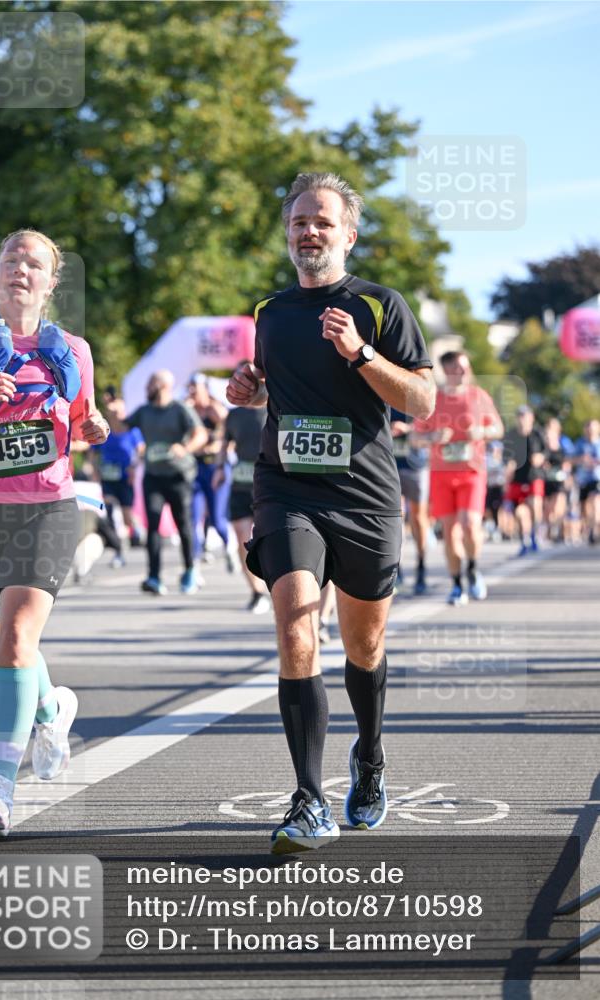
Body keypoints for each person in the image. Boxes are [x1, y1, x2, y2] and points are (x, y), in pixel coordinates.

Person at [227, 172, 435, 853]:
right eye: (298, 222)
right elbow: (276, 393)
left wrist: (361, 354)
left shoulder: (380, 305)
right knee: (294, 628)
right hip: (287, 489)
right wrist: (247, 390)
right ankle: (307, 800)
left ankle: (369, 759)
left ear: (347, 234)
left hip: (365, 495)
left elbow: (421, 401)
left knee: (364, 645)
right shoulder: (268, 311)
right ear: (287, 234)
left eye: (321, 221)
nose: (308, 231)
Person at [0, 229, 108, 836]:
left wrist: (95, 428)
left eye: (34, 263)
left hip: (46, 509)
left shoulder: (74, 350)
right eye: (11, 259)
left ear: (51, 281)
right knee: (10, 650)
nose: (20, 270)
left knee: (13, 644)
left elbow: (82, 421)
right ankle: (53, 707)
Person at [414, 351, 503, 605]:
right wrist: (432, 438)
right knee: (450, 532)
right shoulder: (433, 400)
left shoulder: (479, 396)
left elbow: (498, 428)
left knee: (470, 524)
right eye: (457, 368)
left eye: (466, 367)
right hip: (441, 474)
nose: (463, 372)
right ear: (447, 370)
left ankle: (473, 568)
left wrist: (481, 431)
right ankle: (456, 584)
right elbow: (415, 437)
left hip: (472, 472)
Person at [107, 369, 207, 595]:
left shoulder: (180, 409)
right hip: (153, 476)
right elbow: (120, 428)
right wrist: (113, 414)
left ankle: (190, 571)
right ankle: (153, 577)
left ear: (162, 386)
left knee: (183, 525)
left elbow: (201, 434)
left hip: (178, 476)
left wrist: (186, 448)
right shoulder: (144, 411)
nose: (147, 388)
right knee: (153, 526)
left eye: (150, 384)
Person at [213, 367, 270, 613]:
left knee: (270, 538)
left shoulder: (271, 408)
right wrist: (219, 468)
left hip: (268, 481)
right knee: (241, 537)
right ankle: (256, 592)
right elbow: (225, 444)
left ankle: (275, 585)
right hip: (240, 482)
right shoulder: (233, 415)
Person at [186, 372, 235, 571]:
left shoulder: (215, 409)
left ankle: (230, 551)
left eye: (195, 389)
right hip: (196, 468)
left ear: (205, 390)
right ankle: (194, 563)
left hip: (216, 468)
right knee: (194, 517)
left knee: (217, 518)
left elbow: (229, 439)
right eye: (190, 388)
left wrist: (215, 448)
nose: (191, 392)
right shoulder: (188, 410)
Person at [91, 386, 144, 565]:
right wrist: (95, 470)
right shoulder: (104, 430)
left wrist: (134, 468)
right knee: (110, 509)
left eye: (120, 412)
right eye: (113, 412)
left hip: (124, 477)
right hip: (108, 477)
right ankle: (118, 549)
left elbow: (141, 452)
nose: (117, 415)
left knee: (127, 515)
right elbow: (93, 452)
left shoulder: (132, 431)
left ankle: (136, 532)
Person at [390, 406, 430, 594]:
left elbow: (433, 426)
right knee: (395, 516)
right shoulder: (385, 389)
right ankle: (396, 570)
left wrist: (408, 429)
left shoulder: (416, 390)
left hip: (416, 466)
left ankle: (421, 566)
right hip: (391, 464)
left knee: (418, 518)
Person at [503, 405, 546, 556]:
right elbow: (506, 456)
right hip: (518, 478)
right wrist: (508, 466)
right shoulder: (511, 435)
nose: (522, 420)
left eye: (525, 416)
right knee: (520, 512)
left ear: (531, 418)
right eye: (520, 416)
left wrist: (541, 457)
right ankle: (524, 540)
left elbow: (547, 451)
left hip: (534, 475)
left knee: (535, 505)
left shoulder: (537, 434)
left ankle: (535, 535)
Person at [542, 417, 572, 543]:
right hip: (546, 479)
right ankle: (550, 528)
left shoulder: (564, 442)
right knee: (548, 508)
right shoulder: (543, 444)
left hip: (560, 479)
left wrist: (567, 474)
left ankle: (558, 529)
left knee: (559, 505)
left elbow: (568, 460)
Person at [573, 419, 600, 544]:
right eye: (588, 428)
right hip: (583, 479)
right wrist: (581, 459)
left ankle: (595, 530)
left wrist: (595, 462)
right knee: (584, 507)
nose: (590, 431)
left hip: (596, 478)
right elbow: (571, 459)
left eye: (593, 428)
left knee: (595, 502)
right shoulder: (580, 443)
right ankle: (589, 528)